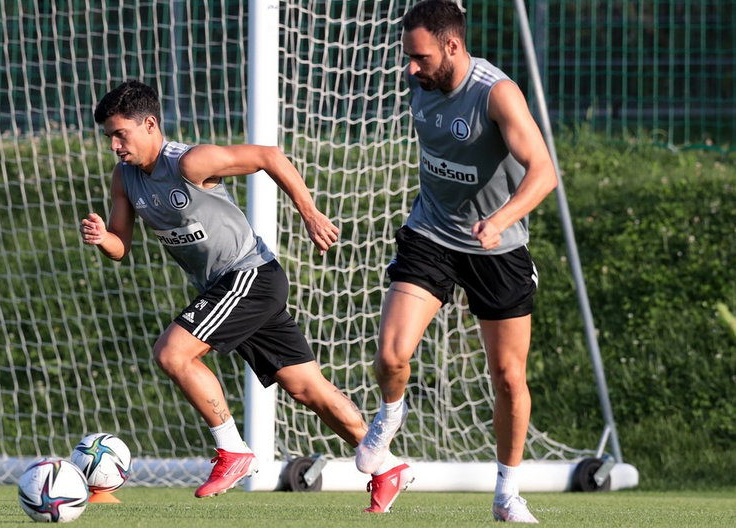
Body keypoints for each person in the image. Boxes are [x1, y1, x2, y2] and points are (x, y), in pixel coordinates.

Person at [81, 80, 408, 511]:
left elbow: (268, 157)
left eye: (120, 134)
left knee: (173, 354)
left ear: (150, 124)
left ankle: (233, 450)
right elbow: (122, 246)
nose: (115, 146)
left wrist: (309, 214)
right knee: (308, 389)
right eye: (109, 137)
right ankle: (386, 466)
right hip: (231, 287)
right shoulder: (124, 177)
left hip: (249, 276)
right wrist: (104, 238)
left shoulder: (191, 162)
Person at [354, 0, 558, 523]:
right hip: (432, 233)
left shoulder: (497, 93)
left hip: (498, 246)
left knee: (509, 377)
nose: (410, 69)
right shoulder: (423, 83)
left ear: (452, 45)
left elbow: (543, 172)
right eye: (408, 58)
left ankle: (507, 493)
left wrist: (499, 219)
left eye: (419, 58)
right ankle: (390, 415)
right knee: (392, 355)